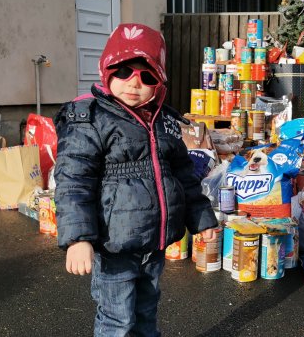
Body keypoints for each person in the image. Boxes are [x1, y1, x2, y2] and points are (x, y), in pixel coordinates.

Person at [54, 23, 218, 336]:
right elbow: (74, 182)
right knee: (117, 320)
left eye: (147, 76)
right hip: (113, 246)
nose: (134, 83)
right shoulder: (90, 118)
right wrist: (78, 238)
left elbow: (184, 175)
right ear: (106, 71)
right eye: (124, 71)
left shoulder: (164, 120)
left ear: (159, 82)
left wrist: (202, 218)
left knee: (145, 312)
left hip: (152, 246)